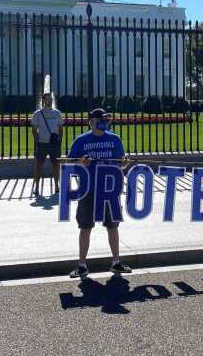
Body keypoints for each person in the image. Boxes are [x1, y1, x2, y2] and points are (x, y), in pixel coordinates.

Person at [69, 108, 133, 278]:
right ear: (91, 121)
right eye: (101, 120)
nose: (106, 123)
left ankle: (116, 262)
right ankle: (82, 264)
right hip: (88, 190)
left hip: (109, 190)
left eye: (106, 120)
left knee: (113, 226)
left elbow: (120, 162)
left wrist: (124, 165)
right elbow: (70, 165)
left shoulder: (114, 139)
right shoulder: (81, 141)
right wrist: (80, 164)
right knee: (85, 226)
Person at [30, 92, 63, 196]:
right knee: (38, 166)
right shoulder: (37, 113)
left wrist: (59, 140)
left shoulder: (57, 113)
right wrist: (37, 141)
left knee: (56, 165)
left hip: (54, 144)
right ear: (43, 100)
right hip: (42, 144)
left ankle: (56, 186)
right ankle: (37, 187)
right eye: (47, 99)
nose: (50, 101)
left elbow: (61, 128)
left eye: (51, 99)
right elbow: (34, 130)